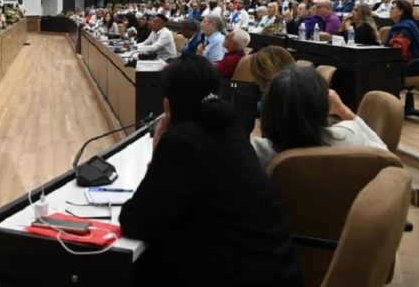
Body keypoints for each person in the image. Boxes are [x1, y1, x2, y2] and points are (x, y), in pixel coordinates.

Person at [119, 55, 301, 286]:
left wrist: (158, 153)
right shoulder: (230, 129)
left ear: (168, 103)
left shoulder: (183, 141)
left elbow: (137, 221)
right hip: (272, 271)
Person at [252, 65, 387, 169]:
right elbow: (386, 156)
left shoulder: (258, 151)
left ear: (269, 109)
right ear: (323, 105)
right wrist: (343, 110)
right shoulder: (348, 135)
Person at [385, 0, 419, 76]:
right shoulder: (410, 23)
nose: (390, 11)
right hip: (418, 65)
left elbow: (398, 52)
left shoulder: (402, 27)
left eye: (392, 8)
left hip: (410, 67)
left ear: (401, 11)